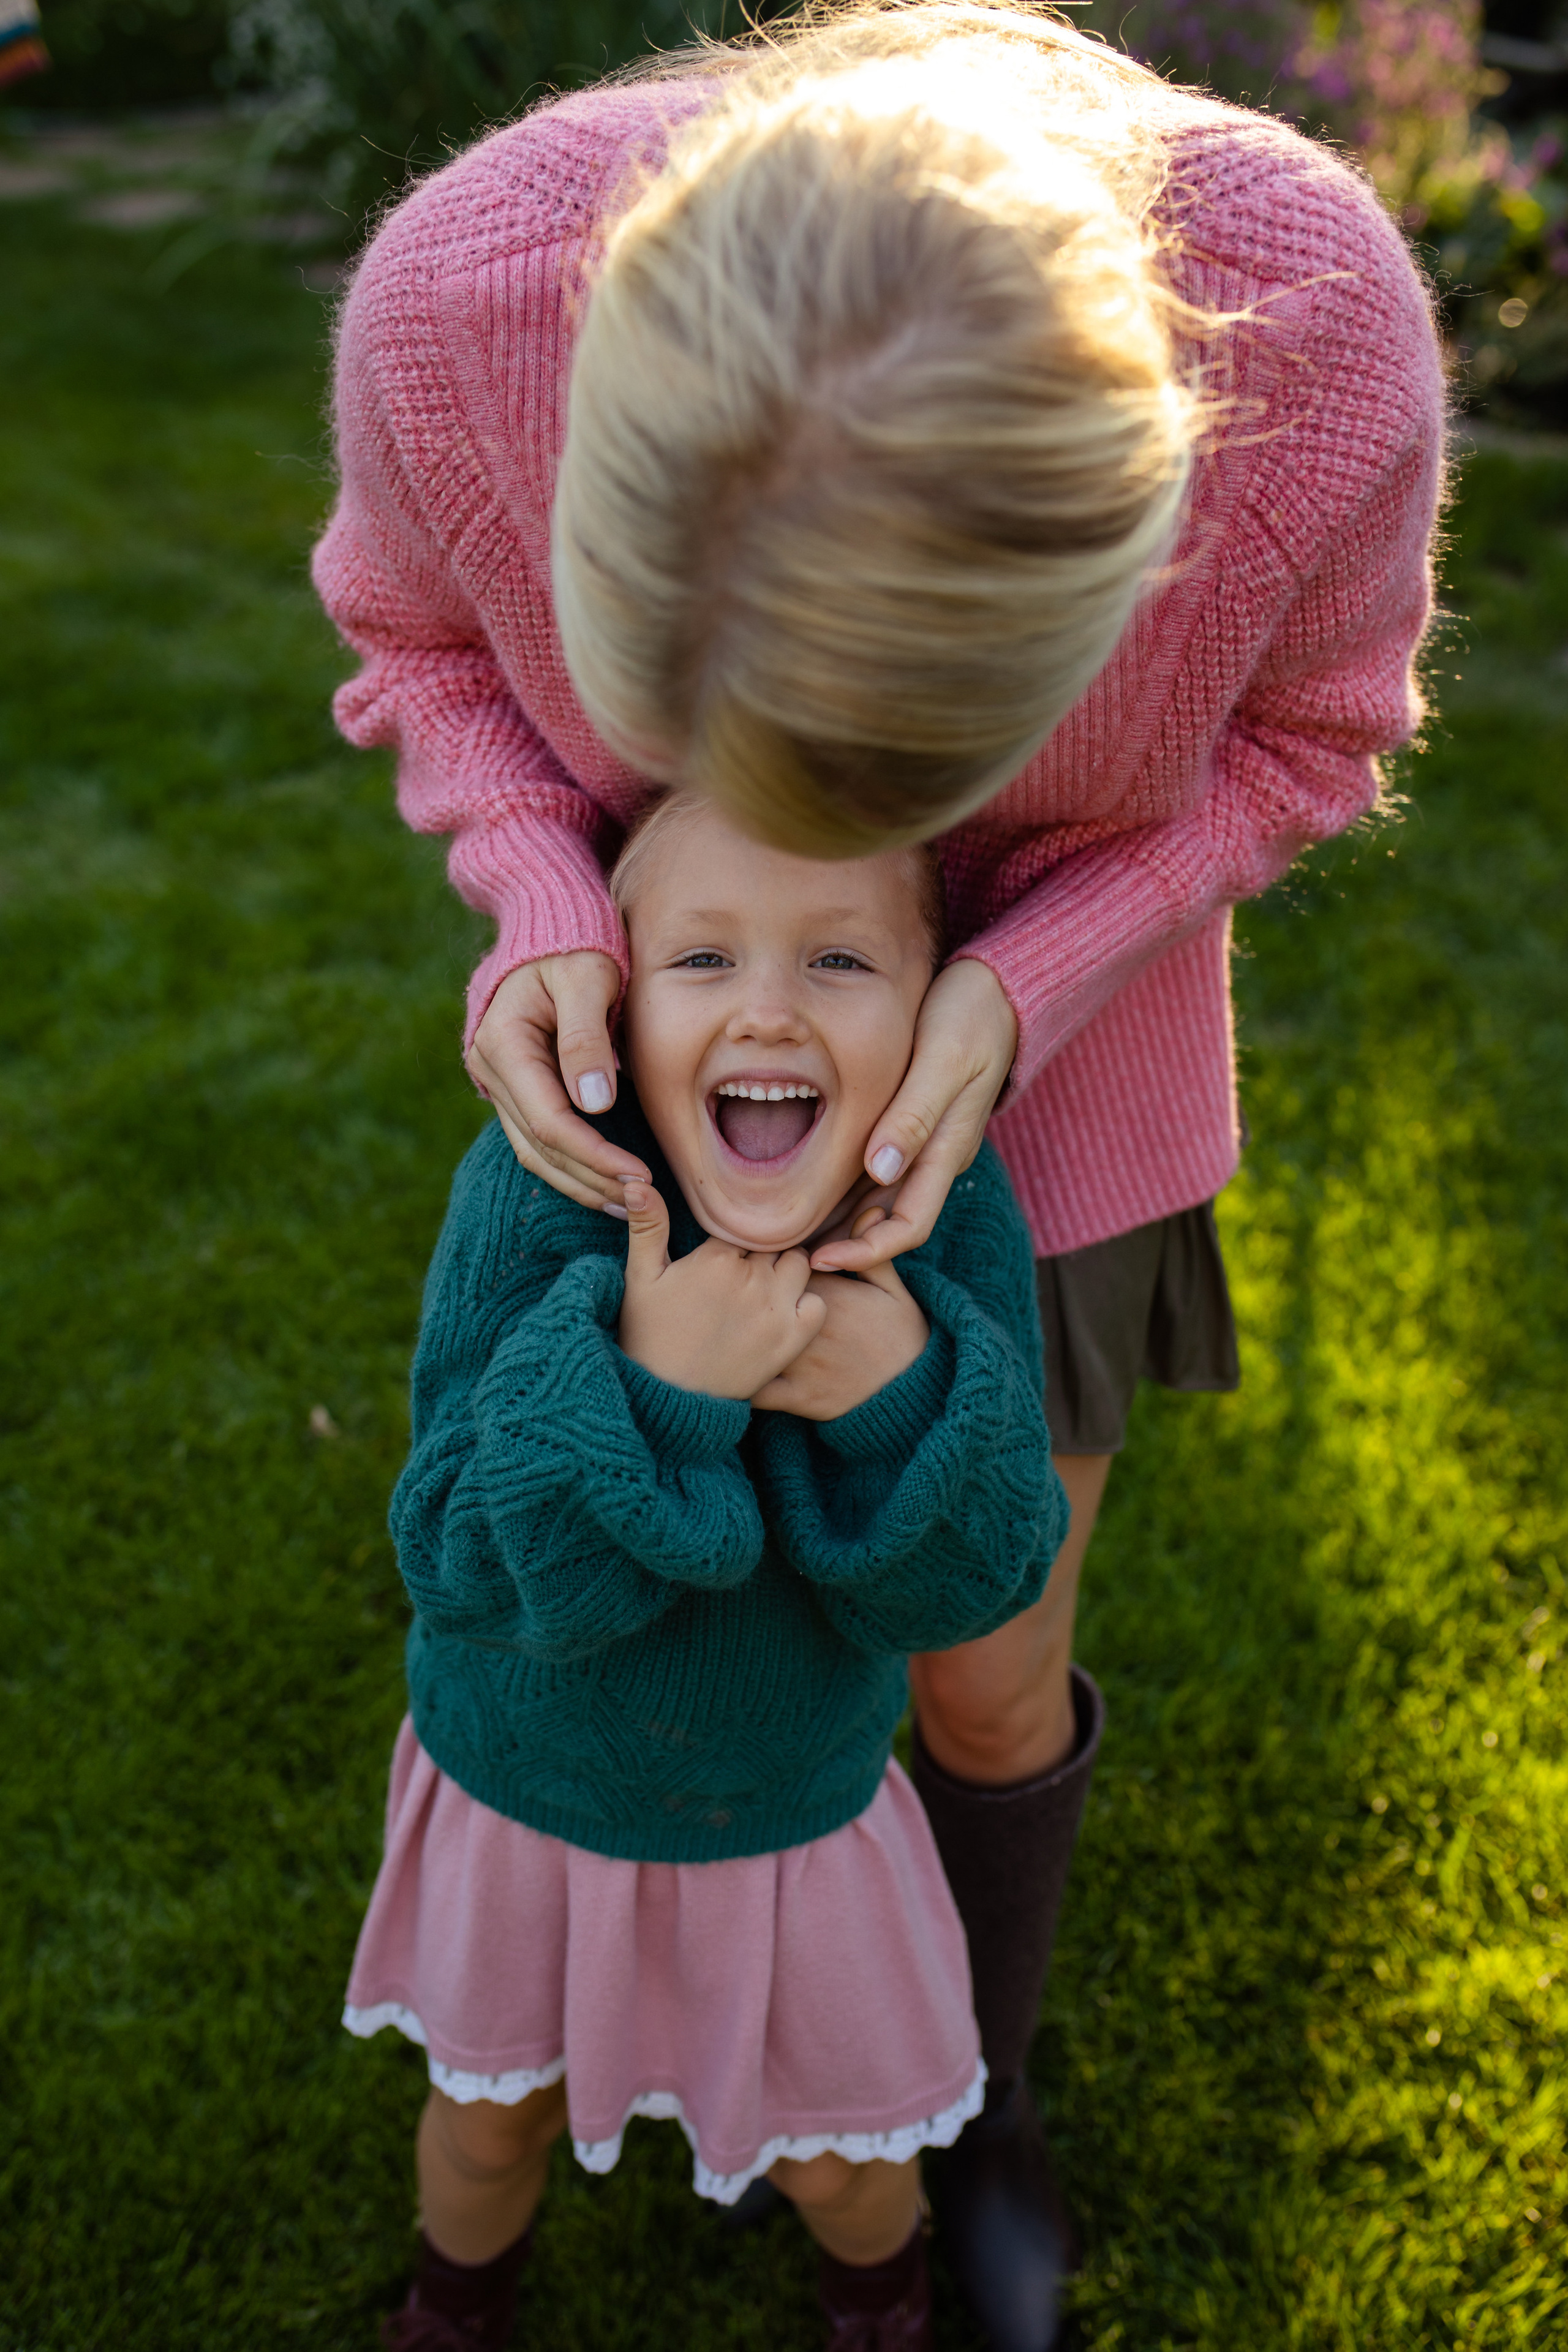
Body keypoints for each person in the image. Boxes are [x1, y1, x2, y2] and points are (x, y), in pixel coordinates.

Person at [313, 7, 1444, 2344]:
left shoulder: (1316, 351)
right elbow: (416, 637)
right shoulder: (451, 314)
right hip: (675, 1045)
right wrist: (547, 885)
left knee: (986, 1676)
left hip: (1084, 1061)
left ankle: (957, 2090)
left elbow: (1316, 738)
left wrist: (1035, 973)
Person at [344, 791, 1068, 2352]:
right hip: (530, 1794)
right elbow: (461, 1560)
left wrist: (903, 1403)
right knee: (489, 2125)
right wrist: (647, 1386)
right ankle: (452, 2305)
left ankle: (876, 2304)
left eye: (837, 963)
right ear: (613, 1001)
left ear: (934, 1021)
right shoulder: (542, 1195)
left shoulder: (940, 1222)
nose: (766, 1007)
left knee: (843, 2157)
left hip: (791, 1817)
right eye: (700, 959)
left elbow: (976, 1576)